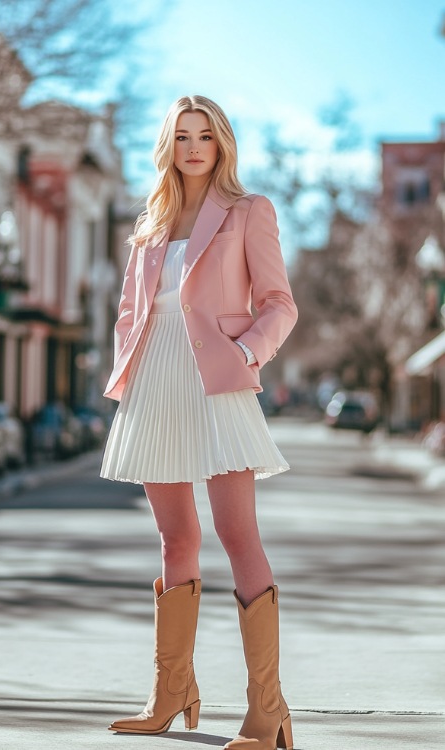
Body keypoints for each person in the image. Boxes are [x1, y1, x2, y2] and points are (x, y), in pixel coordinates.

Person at [100, 95, 298, 750]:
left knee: (239, 533)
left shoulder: (249, 213)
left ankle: (266, 711)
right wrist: (124, 375)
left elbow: (278, 304)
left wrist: (247, 352)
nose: (192, 147)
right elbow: (133, 315)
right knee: (174, 538)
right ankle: (170, 691)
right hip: (155, 383)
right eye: (181, 136)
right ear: (168, 145)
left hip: (217, 382)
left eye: (204, 135)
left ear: (221, 144)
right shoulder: (150, 227)